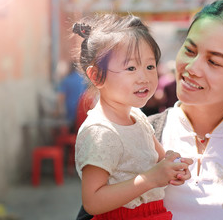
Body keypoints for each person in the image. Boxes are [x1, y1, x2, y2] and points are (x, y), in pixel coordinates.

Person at [77, 0, 223, 220]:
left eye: (214, 62)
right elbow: (94, 208)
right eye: (189, 51)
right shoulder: (127, 131)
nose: (192, 68)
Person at [73, 13, 192, 220]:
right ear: (96, 76)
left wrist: (173, 164)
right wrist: (150, 179)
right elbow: (92, 201)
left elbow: (159, 158)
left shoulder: (137, 116)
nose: (144, 77)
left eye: (149, 66)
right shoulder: (101, 131)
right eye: (130, 68)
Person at [56, 62, 87, 132]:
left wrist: (58, 111)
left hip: (70, 111)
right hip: (82, 110)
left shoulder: (66, 80)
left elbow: (61, 97)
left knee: (71, 130)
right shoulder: (83, 79)